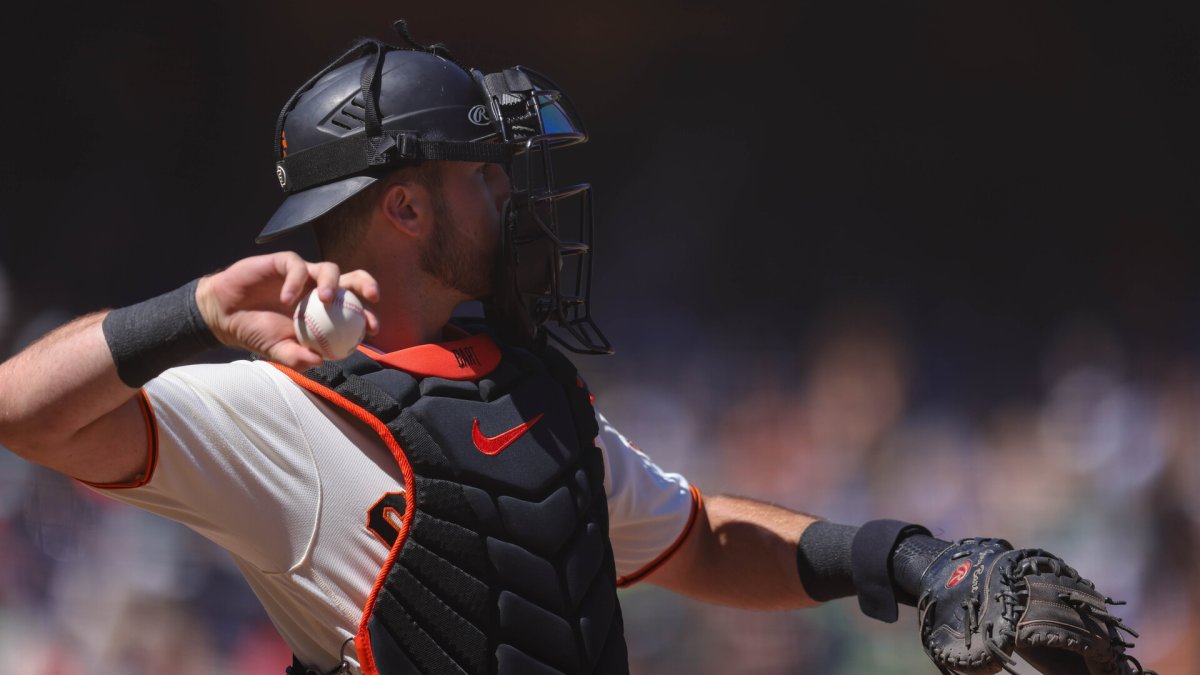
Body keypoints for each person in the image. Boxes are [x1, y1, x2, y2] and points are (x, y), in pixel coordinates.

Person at [0, 20, 1154, 675]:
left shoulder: (529, 391)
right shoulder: (284, 409)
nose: (516, 202)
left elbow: (693, 536)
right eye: (485, 176)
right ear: (404, 210)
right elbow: (20, 412)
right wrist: (198, 309)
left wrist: (900, 560)